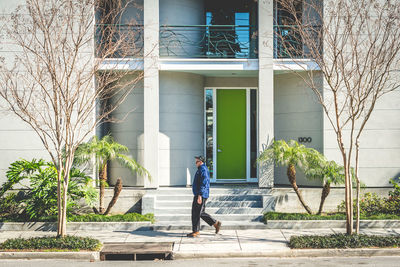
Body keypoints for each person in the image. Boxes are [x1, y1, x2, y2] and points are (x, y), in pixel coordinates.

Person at [187, 156, 221, 237]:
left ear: (200, 161)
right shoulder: (201, 169)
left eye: (197, 162)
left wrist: (200, 195)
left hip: (201, 194)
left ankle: (196, 231)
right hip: (199, 194)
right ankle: (215, 223)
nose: (195, 163)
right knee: (199, 212)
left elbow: (204, 183)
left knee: (196, 213)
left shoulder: (203, 169)